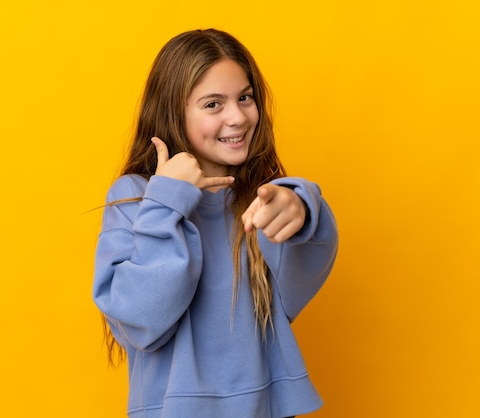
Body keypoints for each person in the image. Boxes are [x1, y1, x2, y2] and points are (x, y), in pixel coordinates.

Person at [93, 28, 338, 418]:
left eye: (244, 97)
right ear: (174, 111)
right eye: (213, 104)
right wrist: (169, 201)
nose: (238, 117)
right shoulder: (137, 198)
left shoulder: (262, 198)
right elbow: (141, 321)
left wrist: (303, 205)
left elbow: (298, 277)